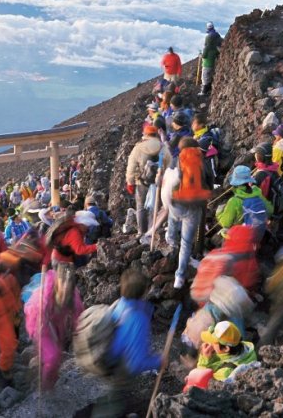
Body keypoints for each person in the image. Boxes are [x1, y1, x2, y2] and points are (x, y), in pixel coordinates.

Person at [93, 268, 163, 417]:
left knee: (111, 396)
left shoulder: (119, 304)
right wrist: (159, 361)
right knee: (114, 401)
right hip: (120, 366)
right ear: (143, 292)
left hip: (108, 359)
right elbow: (136, 363)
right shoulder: (138, 319)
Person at [24, 269, 84, 391]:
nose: (65, 289)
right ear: (57, 283)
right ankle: (46, 388)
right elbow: (34, 317)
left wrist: (78, 330)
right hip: (41, 324)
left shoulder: (73, 297)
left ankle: (50, 375)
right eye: (63, 284)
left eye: (68, 285)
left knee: (56, 356)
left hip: (57, 324)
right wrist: (38, 329)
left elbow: (78, 314)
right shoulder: (42, 298)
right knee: (52, 356)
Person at [169, 138, 212, 289]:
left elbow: (171, 181)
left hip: (178, 203)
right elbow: (210, 181)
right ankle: (179, 277)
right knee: (186, 243)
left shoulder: (176, 160)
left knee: (172, 215)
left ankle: (171, 238)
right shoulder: (203, 162)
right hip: (195, 207)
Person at [125, 125, 172, 238]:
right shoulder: (163, 147)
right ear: (156, 134)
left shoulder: (138, 148)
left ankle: (141, 231)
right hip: (158, 183)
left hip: (142, 182)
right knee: (155, 206)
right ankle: (152, 232)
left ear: (145, 134)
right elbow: (169, 164)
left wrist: (130, 182)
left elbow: (131, 167)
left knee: (141, 207)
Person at [191, 225, 261, 301]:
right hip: (217, 300)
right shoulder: (244, 260)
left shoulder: (215, 254)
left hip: (198, 292)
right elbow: (247, 282)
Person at [215, 166, 272, 234]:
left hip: (241, 235)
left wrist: (218, 213)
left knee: (216, 238)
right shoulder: (257, 192)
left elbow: (225, 223)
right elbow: (270, 210)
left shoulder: (234, 201)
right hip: (258, 233)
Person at [199, 21, 223, 96]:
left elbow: (204, 55)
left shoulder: (208, 42)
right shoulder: (217, 38)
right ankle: (209, 89)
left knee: (205, 76)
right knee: (210, 75)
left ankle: (204, 91)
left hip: (206, 63)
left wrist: (201, 55)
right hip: (213, 62)